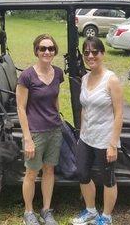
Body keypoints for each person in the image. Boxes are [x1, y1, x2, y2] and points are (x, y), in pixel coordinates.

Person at [72, 36, 124, 225]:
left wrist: (112, 144)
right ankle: (91, 211)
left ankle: (107, 217)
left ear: (102, 53)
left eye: (95, 52)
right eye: (86, 53)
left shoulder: (112, 80)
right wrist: (81, 134)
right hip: (86, 137)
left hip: (105, 139)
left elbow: (119, 114)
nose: (90, 56)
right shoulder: (85, 78)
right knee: (83, 174)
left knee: (108, 178)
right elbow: (85, 108)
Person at [16, 34, 64, 225]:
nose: (47, 52)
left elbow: (55, 98)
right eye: (43, 48)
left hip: (54, 130)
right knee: (31, 172)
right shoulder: (27, 76)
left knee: (49, 170)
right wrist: (27, 138)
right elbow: (20, 108)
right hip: (35, 132)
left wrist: (58, 117)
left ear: (55, 51)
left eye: (50, 48)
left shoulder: (58, 73)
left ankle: (46, 210)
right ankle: (28, 212)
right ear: (36, 50)